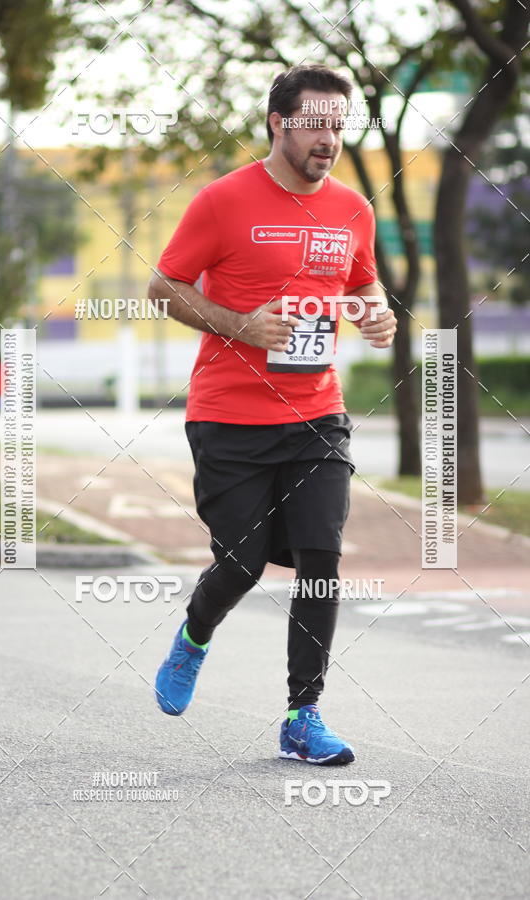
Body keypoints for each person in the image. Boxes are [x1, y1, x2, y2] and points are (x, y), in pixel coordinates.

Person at [148, 65, 396, 765]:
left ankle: (302, 714)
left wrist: (376, 313)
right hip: (228, 418)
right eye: (315, 123)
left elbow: (363, 279)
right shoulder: (223, 202)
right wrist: (240, 325)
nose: (329, 138)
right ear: (277, 122)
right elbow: (162, 287)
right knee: (243, 564)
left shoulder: (354, 208)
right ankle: (195, 635)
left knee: (321, 563)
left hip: (318, 415)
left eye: (339, 126)